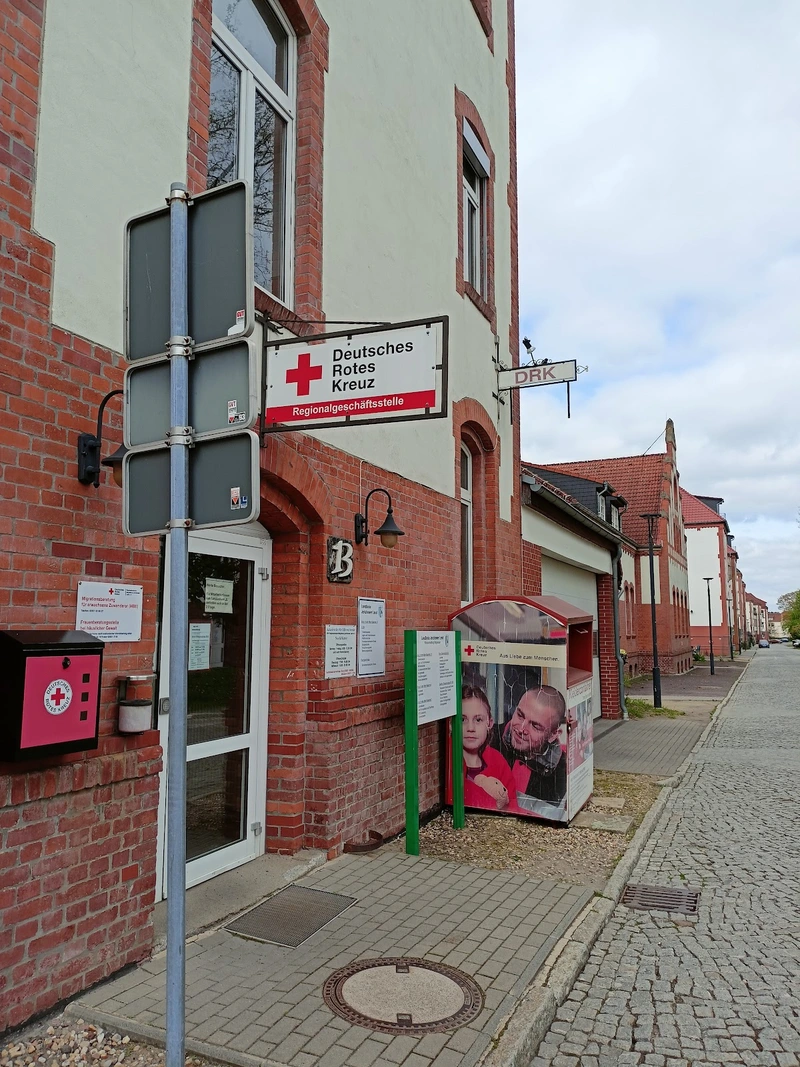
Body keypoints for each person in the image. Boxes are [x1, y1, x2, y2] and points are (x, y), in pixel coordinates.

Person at [494, 685, 567, 807]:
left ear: (553, 735)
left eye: (535, 726)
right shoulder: (487, 738)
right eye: (520, 715)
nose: (521, 729)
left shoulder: (564, 774)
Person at [460, 685, 515, 811]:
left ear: (489, 723)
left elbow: (512, 805)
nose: (470, 728)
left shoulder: (497, 760)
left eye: (478, 719)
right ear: (451, 724)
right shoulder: (450, 761)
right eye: (462, 720)